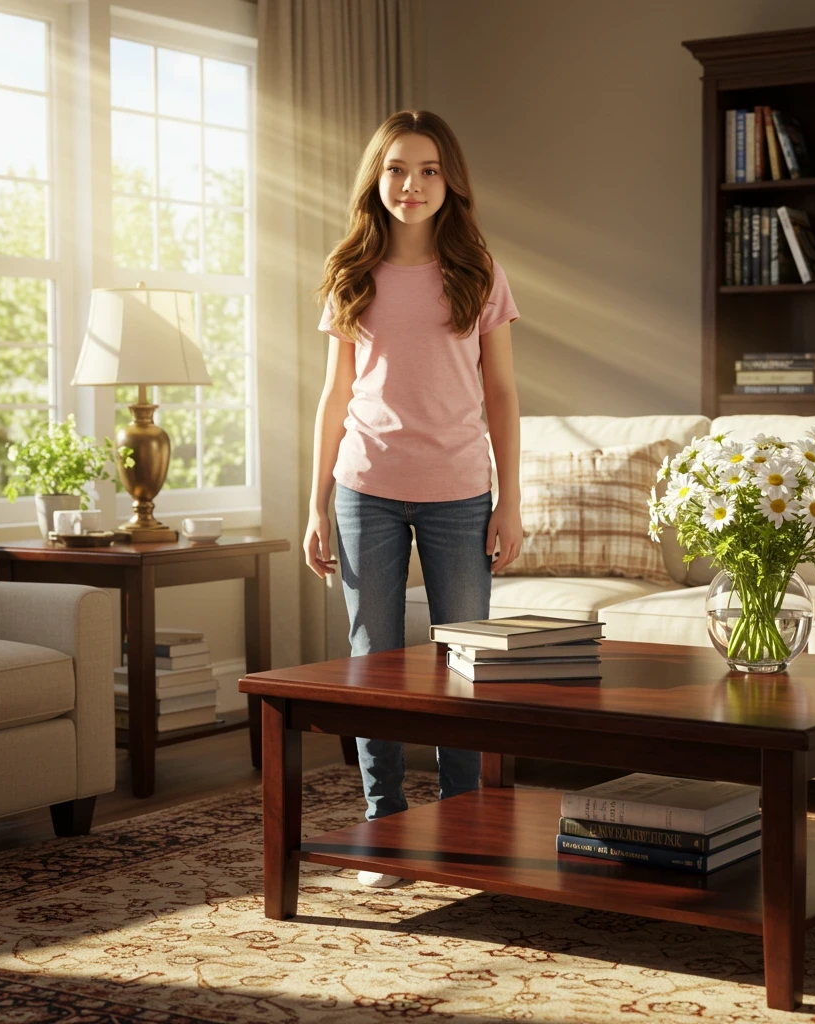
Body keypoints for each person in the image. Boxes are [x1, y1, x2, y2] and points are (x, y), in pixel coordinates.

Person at [304, 110, 523, 888]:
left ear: (449, 180)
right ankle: (385, 823)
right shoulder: (350, 273)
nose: (412, 185)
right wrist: (315, 502)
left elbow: (500, 392)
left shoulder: (480, 272)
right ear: (377, 178)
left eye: (428, 169)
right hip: (365, 488)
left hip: (462, 492)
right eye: (397, 169)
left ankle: (467, 819)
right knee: (375, 660)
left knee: (466, 662)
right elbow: (335, 397)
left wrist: (511, 499)